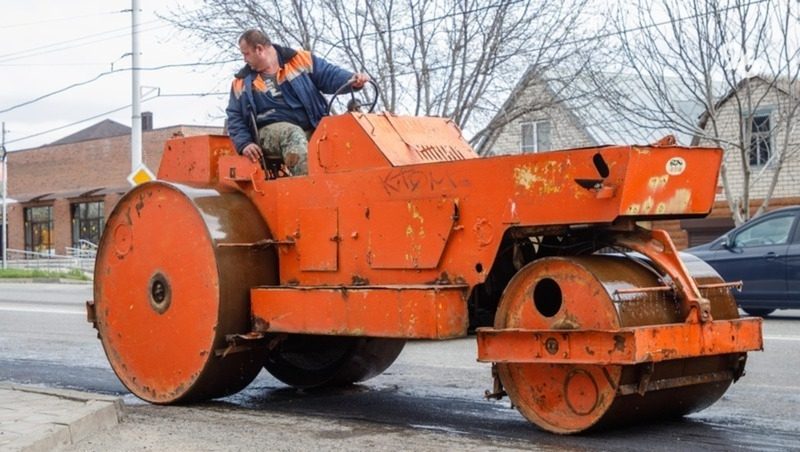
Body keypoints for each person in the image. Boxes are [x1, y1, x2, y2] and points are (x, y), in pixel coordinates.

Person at [226, 29, 369, 176]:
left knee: (342, 132)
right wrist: (245, 144)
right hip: (269, 133)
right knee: (292, 134)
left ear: (259, 49)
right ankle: (312, 188)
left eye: (246, 54)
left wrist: (352, 80)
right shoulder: (241, 83)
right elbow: (234, 116)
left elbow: (328, 74)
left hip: (311, 125)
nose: (244, 59)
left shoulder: (300, 60)